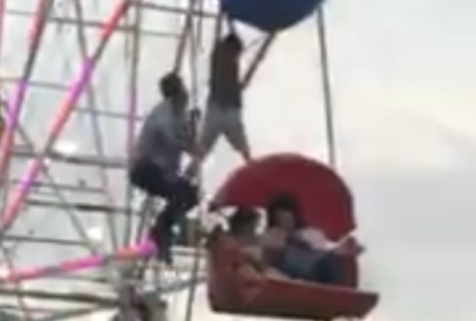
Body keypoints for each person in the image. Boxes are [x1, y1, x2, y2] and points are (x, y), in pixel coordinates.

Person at [130, 72, 198, 261]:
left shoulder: (178, 114)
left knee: (189, 194)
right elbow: (179, 141)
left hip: (158, 170)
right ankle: (160, 232)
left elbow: (188, 142)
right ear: (178, 93)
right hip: (146, 169)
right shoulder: (164, 115)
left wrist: (192, 130)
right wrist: (193, 143)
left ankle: (162, 232)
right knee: (183, 194)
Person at [261, 194, 360, 287]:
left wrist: (340, 249)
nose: (286, 220)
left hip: (313, 267)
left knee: (331, 261)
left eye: (289, 216)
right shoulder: (271, 235)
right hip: (289, 269)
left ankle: (336, 292)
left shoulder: (308, 234)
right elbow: (268, 259)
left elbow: (324, 248)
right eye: (281, 217)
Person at [197, 33, 251, 163]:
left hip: (221, 107)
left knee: (203, 149)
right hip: (225, 108)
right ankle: (189, 173)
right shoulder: (222, 54)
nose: (237, 56)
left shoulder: (222, 56)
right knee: (243, 148)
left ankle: (189, 173)